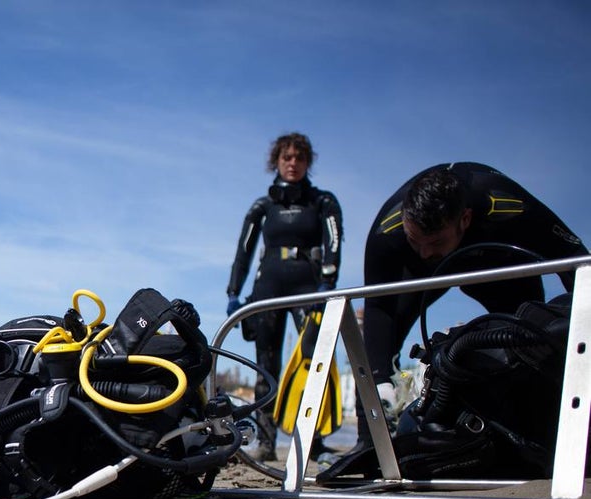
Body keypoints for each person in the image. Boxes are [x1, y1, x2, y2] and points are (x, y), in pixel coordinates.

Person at [356, 161, 586, 448]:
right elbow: (378, 310)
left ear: (465, 219)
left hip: (496, 264)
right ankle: (368, 441)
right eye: (415, 241)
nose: (426, 251)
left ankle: (541, 433)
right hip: (421, 276)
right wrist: (378, 382)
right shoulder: (388, 229)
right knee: (378, 348)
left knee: (532, 344)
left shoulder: (503, 201)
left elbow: (577, 262)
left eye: (435, 241)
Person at [226, 133, 343, 461]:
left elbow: (334, 242)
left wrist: (328, 283)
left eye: (299, 158)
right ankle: (266, 441)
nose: (293, 164)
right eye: (286, 158)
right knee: (266, 364)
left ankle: (313, 442)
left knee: (312, 362)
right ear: (276, 162)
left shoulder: (323, 203)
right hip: (269, 288)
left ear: (308, 162)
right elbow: (244, 250)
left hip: (309, 288)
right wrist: (234, 292)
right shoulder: (263, 207)